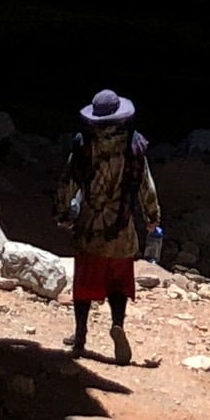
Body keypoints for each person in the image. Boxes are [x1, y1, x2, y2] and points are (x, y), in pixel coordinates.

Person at [54, 87, 161, 366]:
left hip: (90, 225)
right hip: (122, 227)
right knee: (118, 281)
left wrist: (63, 212)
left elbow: (68, 182)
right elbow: (146, 186)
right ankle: (117, 324)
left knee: (85, 282)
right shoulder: (135, 145)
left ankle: (80, 336)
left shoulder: (84, 144)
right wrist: (152, 216)